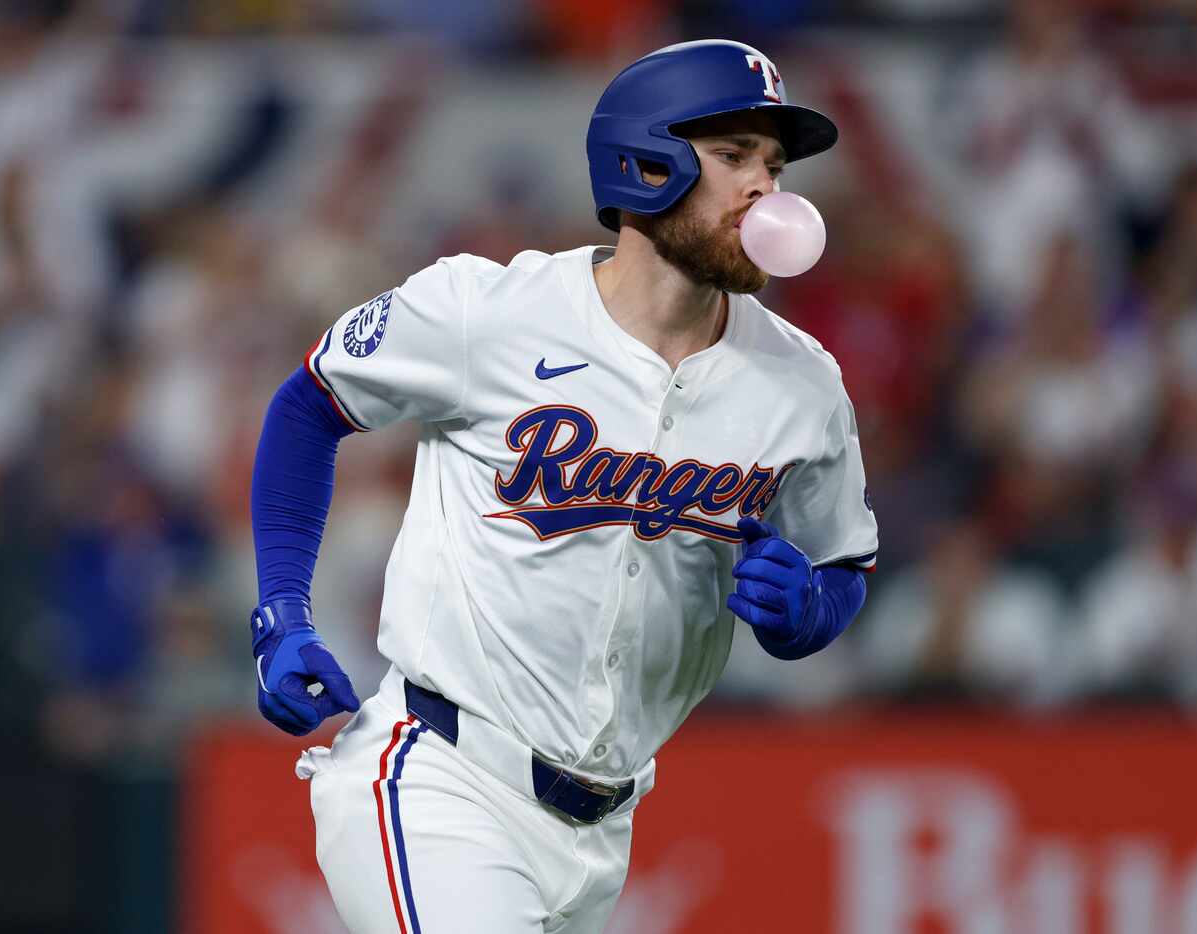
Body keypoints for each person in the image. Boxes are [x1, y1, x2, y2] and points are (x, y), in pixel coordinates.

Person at [247, 39, 878, 933]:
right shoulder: (488, 311)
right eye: (734, 156)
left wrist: (816, 609)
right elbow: (309, 404)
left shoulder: (803, 384)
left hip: (602, 830)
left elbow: (848, 560)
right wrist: (281, 612)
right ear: (646, 160)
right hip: (439, 777)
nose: (766, 191)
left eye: (773, 166)